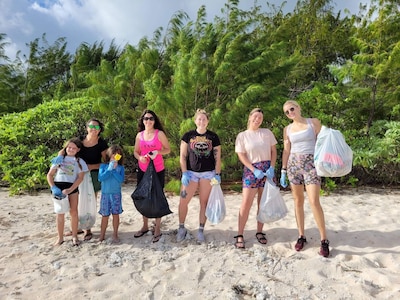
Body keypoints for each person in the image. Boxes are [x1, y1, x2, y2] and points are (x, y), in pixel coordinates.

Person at [280, 100, 330, 257]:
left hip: (311, 165)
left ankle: (324, 240)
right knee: (298, 201)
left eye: (292, 109)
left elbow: (324, 142)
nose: (290, 113)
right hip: (294, 166)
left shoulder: (313, 122)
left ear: (299, 107)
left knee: (314, 201)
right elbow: (286, 150)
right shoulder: (287, 129)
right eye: (287, 112)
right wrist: (283, 170)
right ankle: (301, 235)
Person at [234, 108, 277, 249]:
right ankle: (240, 234)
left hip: (266, 169)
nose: (258, 120)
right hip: (251, 170)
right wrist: (253, 169)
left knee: (262, 203)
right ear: (250, 117)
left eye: (260, 118)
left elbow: (273, 151)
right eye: (256, 116)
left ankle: (259, 231)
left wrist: (272, 167)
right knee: (246, 203)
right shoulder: (242, 136)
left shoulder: (267, 133)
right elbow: (241, 155)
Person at [176, 109, 222, 244]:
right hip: (190, 174)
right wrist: (184, 172)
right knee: (183, 201)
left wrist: (218, 174)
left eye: (204, 119)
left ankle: (201, 230)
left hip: (208, 174)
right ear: (195, 120)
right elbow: (182, 156)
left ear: (207, 121)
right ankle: (181, 227)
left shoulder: (213, 137)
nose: (202, 121)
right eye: (199, 119)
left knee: (204, 202)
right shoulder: (187, 136)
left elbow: (218, 158)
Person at [133, 110, 171, 243]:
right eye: (146, 118)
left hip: (158, 169)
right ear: (142, 120)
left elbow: (168, 149)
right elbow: (136, 152)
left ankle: (158, 228)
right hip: (143, 170)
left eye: (151, 119)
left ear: (154, 121)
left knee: (157, 196)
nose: (148, 121)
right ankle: (144, 226)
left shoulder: (159, 134)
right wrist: (140, 158)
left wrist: (158, 152)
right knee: (143, 196)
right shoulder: (139, 135)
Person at [47, 138, 88, 246]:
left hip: (72, 187)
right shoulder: (59, 159)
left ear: (78, 149)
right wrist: (53, 187)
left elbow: (80, 177)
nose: (71, 149)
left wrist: (71, 189)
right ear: (66, 147)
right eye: (69, 147)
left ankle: (74, 236)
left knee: (73, 212)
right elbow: (50, 175)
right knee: (60, 213)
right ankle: (60, 238)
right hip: (58, 186)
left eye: (74, 148)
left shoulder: (79, 161)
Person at [98, 145, 125, 243]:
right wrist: (109, 169)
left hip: (116, 194)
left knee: (116, 214)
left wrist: (114, 170)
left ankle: (115, 234)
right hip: (105, 194)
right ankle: (102, 235)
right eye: (114, 154)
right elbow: (101, 178)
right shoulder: (103, 166)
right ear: (109, 155)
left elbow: (121, 179)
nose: (115, 156)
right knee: (105, 215)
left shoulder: (121, 168)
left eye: (118, 154)